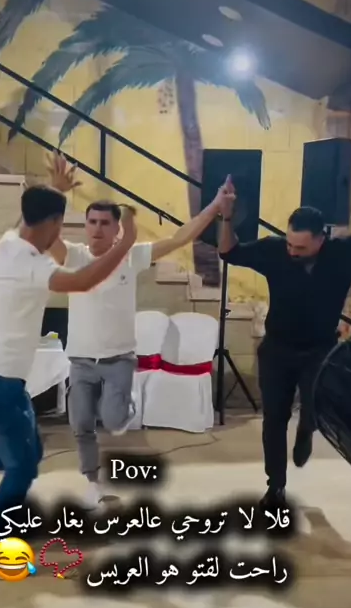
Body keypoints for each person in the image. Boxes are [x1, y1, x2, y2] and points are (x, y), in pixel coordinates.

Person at [0, 184, 139, 580]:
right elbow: (84, 280)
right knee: (21, 468)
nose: (60, 234)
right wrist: (127, 243)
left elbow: (27, 218)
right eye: (60, 224)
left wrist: (56, 190)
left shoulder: (7, 243)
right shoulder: (32, 264)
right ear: (52, 222)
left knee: (28, 454)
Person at [49, 154, 225, 508]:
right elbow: (46, 236)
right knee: (81, 425)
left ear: (118, 229)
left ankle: (124, 406)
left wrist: (215, 206)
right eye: (91, 222)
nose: (97, 229)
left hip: (118, 360)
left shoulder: (130, 257)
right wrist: (56, 193)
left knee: (115, 421)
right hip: (81, 360)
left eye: (104, 223)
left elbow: (180, 238)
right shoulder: (75, 256)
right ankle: (92, 482)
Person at [217, 178, 351, 508]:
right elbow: (228, 252)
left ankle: (307, 428)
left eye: (301, 248)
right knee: (274, 420)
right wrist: (226, 217)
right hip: (277, 349)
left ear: (321, 239)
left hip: (320, 350)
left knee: (315, 408)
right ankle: (276, 487)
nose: (293, 252)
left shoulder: (345, 252)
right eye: (290, 245)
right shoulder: (274, 250)